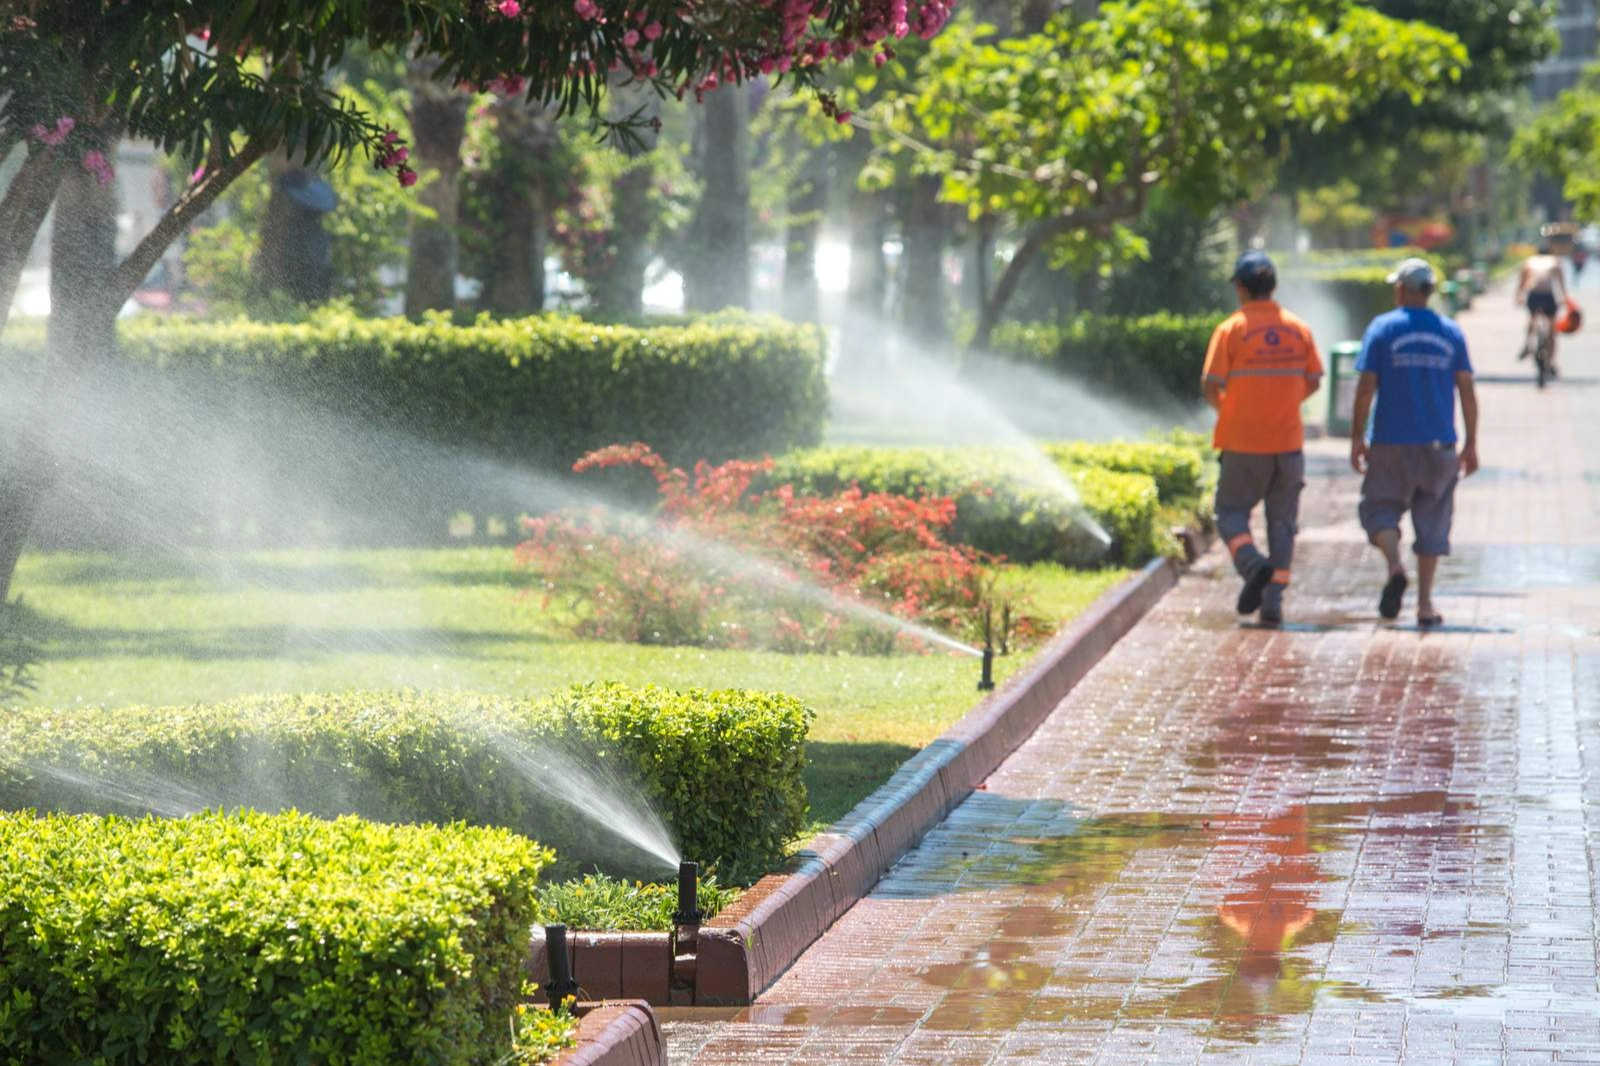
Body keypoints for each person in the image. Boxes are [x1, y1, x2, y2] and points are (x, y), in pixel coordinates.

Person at [1350, 258, 1479, 627]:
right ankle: (1424, 604)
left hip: (1390, 441)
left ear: (1402, 290)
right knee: (1433, 520)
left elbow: (1364, 388)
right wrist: (1471, 443)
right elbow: (1467, 391)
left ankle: (1393, 565)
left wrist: (1357, 437)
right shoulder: (1451, 332)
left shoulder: (1383, 328)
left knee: (1379, 510)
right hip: (1439, 445)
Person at [1202, 251, 1323, 625]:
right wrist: (1286, 403)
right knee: (1282, 524)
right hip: (1287, 445)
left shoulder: (1231, 329)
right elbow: (1315, 379)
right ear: (1273, 286)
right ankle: (1273, 603)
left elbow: (1210, 383)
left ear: (1240, 287)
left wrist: (1231, 409)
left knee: (1230, 513)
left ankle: (1252, 563)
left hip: (1242, 444)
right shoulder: (1298, 328)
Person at [1515, 239, 1569, 371]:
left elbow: (1522, 282)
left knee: (1532, 319)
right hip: (1548, 296)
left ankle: (1528, 344)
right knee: (1551, 330)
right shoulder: (1554, 261)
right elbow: (1561, 283)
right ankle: (1551, 361)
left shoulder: (1530, 262)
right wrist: (1564, 298)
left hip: (1534, 295)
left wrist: (1519, 297)